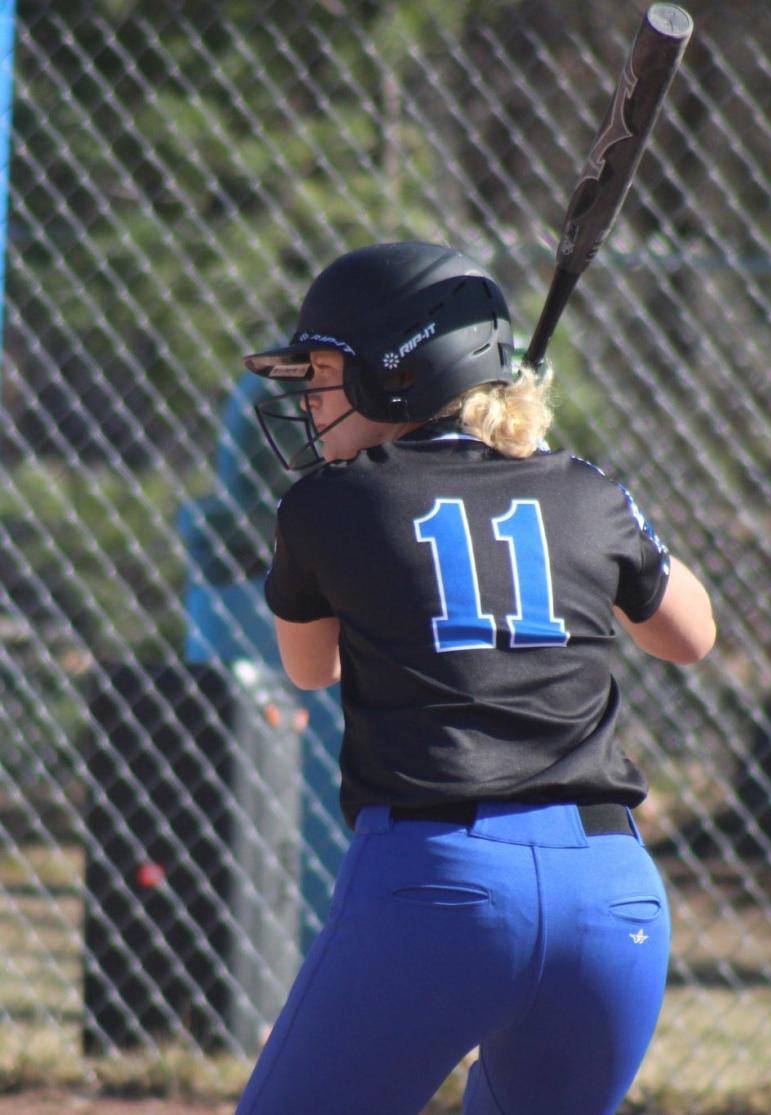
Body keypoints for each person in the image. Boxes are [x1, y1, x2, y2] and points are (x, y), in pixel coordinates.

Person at [235, 241, 715, 1115]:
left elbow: (312, 668)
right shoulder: (584, 488)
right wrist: (582, 502)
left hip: (437, 884)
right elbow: (692, 635)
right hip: (612, 898)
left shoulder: (329, 502)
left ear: (400, 375)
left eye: (325, 370)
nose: (308, 394)